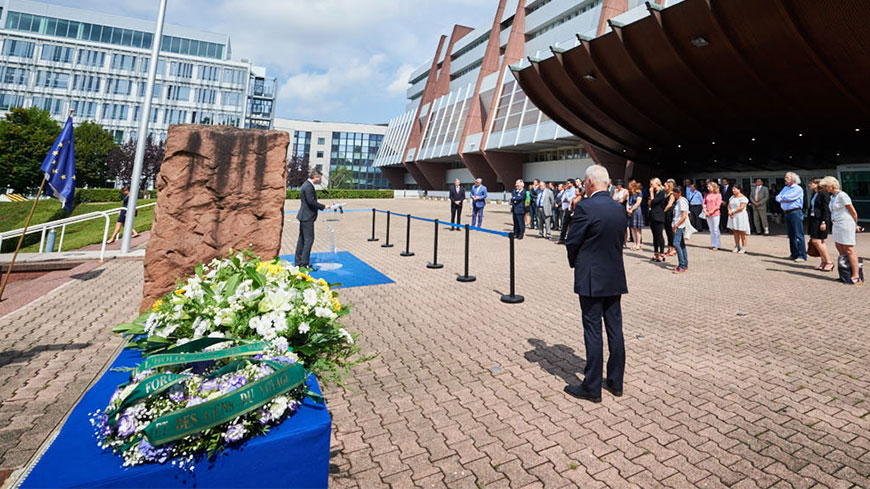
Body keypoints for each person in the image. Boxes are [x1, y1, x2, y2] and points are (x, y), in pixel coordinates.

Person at [564, 165, 627, 403]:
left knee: (592, 330)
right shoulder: (618, 208)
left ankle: (592, 387)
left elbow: (573, 241)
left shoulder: (585, 207)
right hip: (614, 275)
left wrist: (575, 263)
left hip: (591, 277)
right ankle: (616, 381)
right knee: (615, 329)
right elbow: (621, 239)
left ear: (590, 182)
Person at [820, 176, 862, 284]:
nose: (825, 189)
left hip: (845, 224)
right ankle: (845, 272)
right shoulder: (832, 197)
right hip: (836, 224)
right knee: (839, 248)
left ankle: (856, 275)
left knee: (849, 249)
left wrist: (855, 225)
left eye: (825, 186)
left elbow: (853, 212)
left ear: (831, 185)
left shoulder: (843, 196)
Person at [295, 169, 332, 269]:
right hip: (307, 217)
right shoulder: (308, 186)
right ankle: (304, 264)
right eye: (319, 177)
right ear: (315, 177)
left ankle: (298, 262)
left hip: (304, 216)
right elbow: (311, 202)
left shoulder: (306, 185)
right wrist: (324, 206)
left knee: (302, 239)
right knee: (308, 240)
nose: (320, 180)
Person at [775, 172, 807, 262]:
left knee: (798, 234)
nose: (785, 179)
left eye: (787, 177)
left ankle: (802, 255)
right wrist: (783, 198)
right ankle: (794, 254)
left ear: (793, 178)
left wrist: (783, 198)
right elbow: (778, 197)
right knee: (791, 234)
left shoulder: (798, 188)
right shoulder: (785, 188)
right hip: (787, 212)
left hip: (795, 212)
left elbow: (791, 197)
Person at [807, 179, 833, 271]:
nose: (809, 185)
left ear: (817, 184)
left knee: (817, 241)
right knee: (818, 241)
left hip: (820, 220)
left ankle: (829, 262)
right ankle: (823, 261)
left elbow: (826, 209)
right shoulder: (814, 194)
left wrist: (824, 222)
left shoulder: (824, 194)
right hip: (813, 219)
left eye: (811, 183)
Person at [727, 185, 750, 253]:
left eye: (735, 189)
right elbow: (729, 205)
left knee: (742, 232)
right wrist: (729, 212)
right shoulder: (732, 197)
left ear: (739, 189)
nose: (733, 190)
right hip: (733, 216)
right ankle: (737, 246)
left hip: (740, 216)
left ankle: (744, 247)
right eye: (733, 189)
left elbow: (741, 207)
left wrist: (733, 212)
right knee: (735, 231)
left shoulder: (743, 198)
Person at [648, 178, 667, 262]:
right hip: (652, 215)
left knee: (659, 235)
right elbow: (650, 203)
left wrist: (651, 193)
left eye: (652, 184)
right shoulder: (655, 193)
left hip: (659, 216)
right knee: (654, 236)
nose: (651, 186)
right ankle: (656, 253)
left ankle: (662, 253)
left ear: (657, 184)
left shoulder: (661, 193)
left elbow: (653, 202)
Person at [672, 186, 690, 273]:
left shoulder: (682, 201)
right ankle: (684, 263)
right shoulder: (678, 201)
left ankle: (682, 264)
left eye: (675, 192)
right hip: (677, 225)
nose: (673, 194)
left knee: (676, 243)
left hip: (679, 226)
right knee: (681, 244)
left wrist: (676, 225)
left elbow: (684, 216)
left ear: (680, 193)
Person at [704, 182, 722, 250]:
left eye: (709, 187)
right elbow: (704, 203)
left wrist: (711, 211)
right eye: (708, 187)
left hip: (715, 213)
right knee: (711, 229)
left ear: (714, 187)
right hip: (708, 213)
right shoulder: (707, 194)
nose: (708, 188)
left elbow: (718, 205)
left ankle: (717, 244)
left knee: (715, 229)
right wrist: (705, 211)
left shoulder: (718, 195)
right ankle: (713, 244)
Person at [557, 180, 577, 244]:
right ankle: (562, 238)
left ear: (572, 183)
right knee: (564, 224)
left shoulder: (574, 190)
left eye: (568, 183)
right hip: (565, 208)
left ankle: (570, 239)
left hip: (571, 209)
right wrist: (565, 199)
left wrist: (567, 199)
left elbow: (572, 198)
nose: (567, 184)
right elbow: (563, 198)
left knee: (571, 225)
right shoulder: (567, 190)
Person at [626, 181, 644, 251]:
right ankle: (634, 243)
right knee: (632, 228)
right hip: (630, 210)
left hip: (636, 210)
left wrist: (632, 209)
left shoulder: (639, 192)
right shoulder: (630, 193)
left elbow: (638, 203)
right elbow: (628, 202)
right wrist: (627, 209)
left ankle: (638, 244)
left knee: (637, 228)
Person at [663, 179, 677, 257]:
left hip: (669, 214)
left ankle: (673, 248)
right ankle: (670, 247)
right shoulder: (666, 194)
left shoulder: (671, 194)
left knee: (671, 232)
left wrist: (663, 211)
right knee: (668, 231)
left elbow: (669, 205)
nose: (664, 187)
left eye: (665, 185)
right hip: (666, 214)